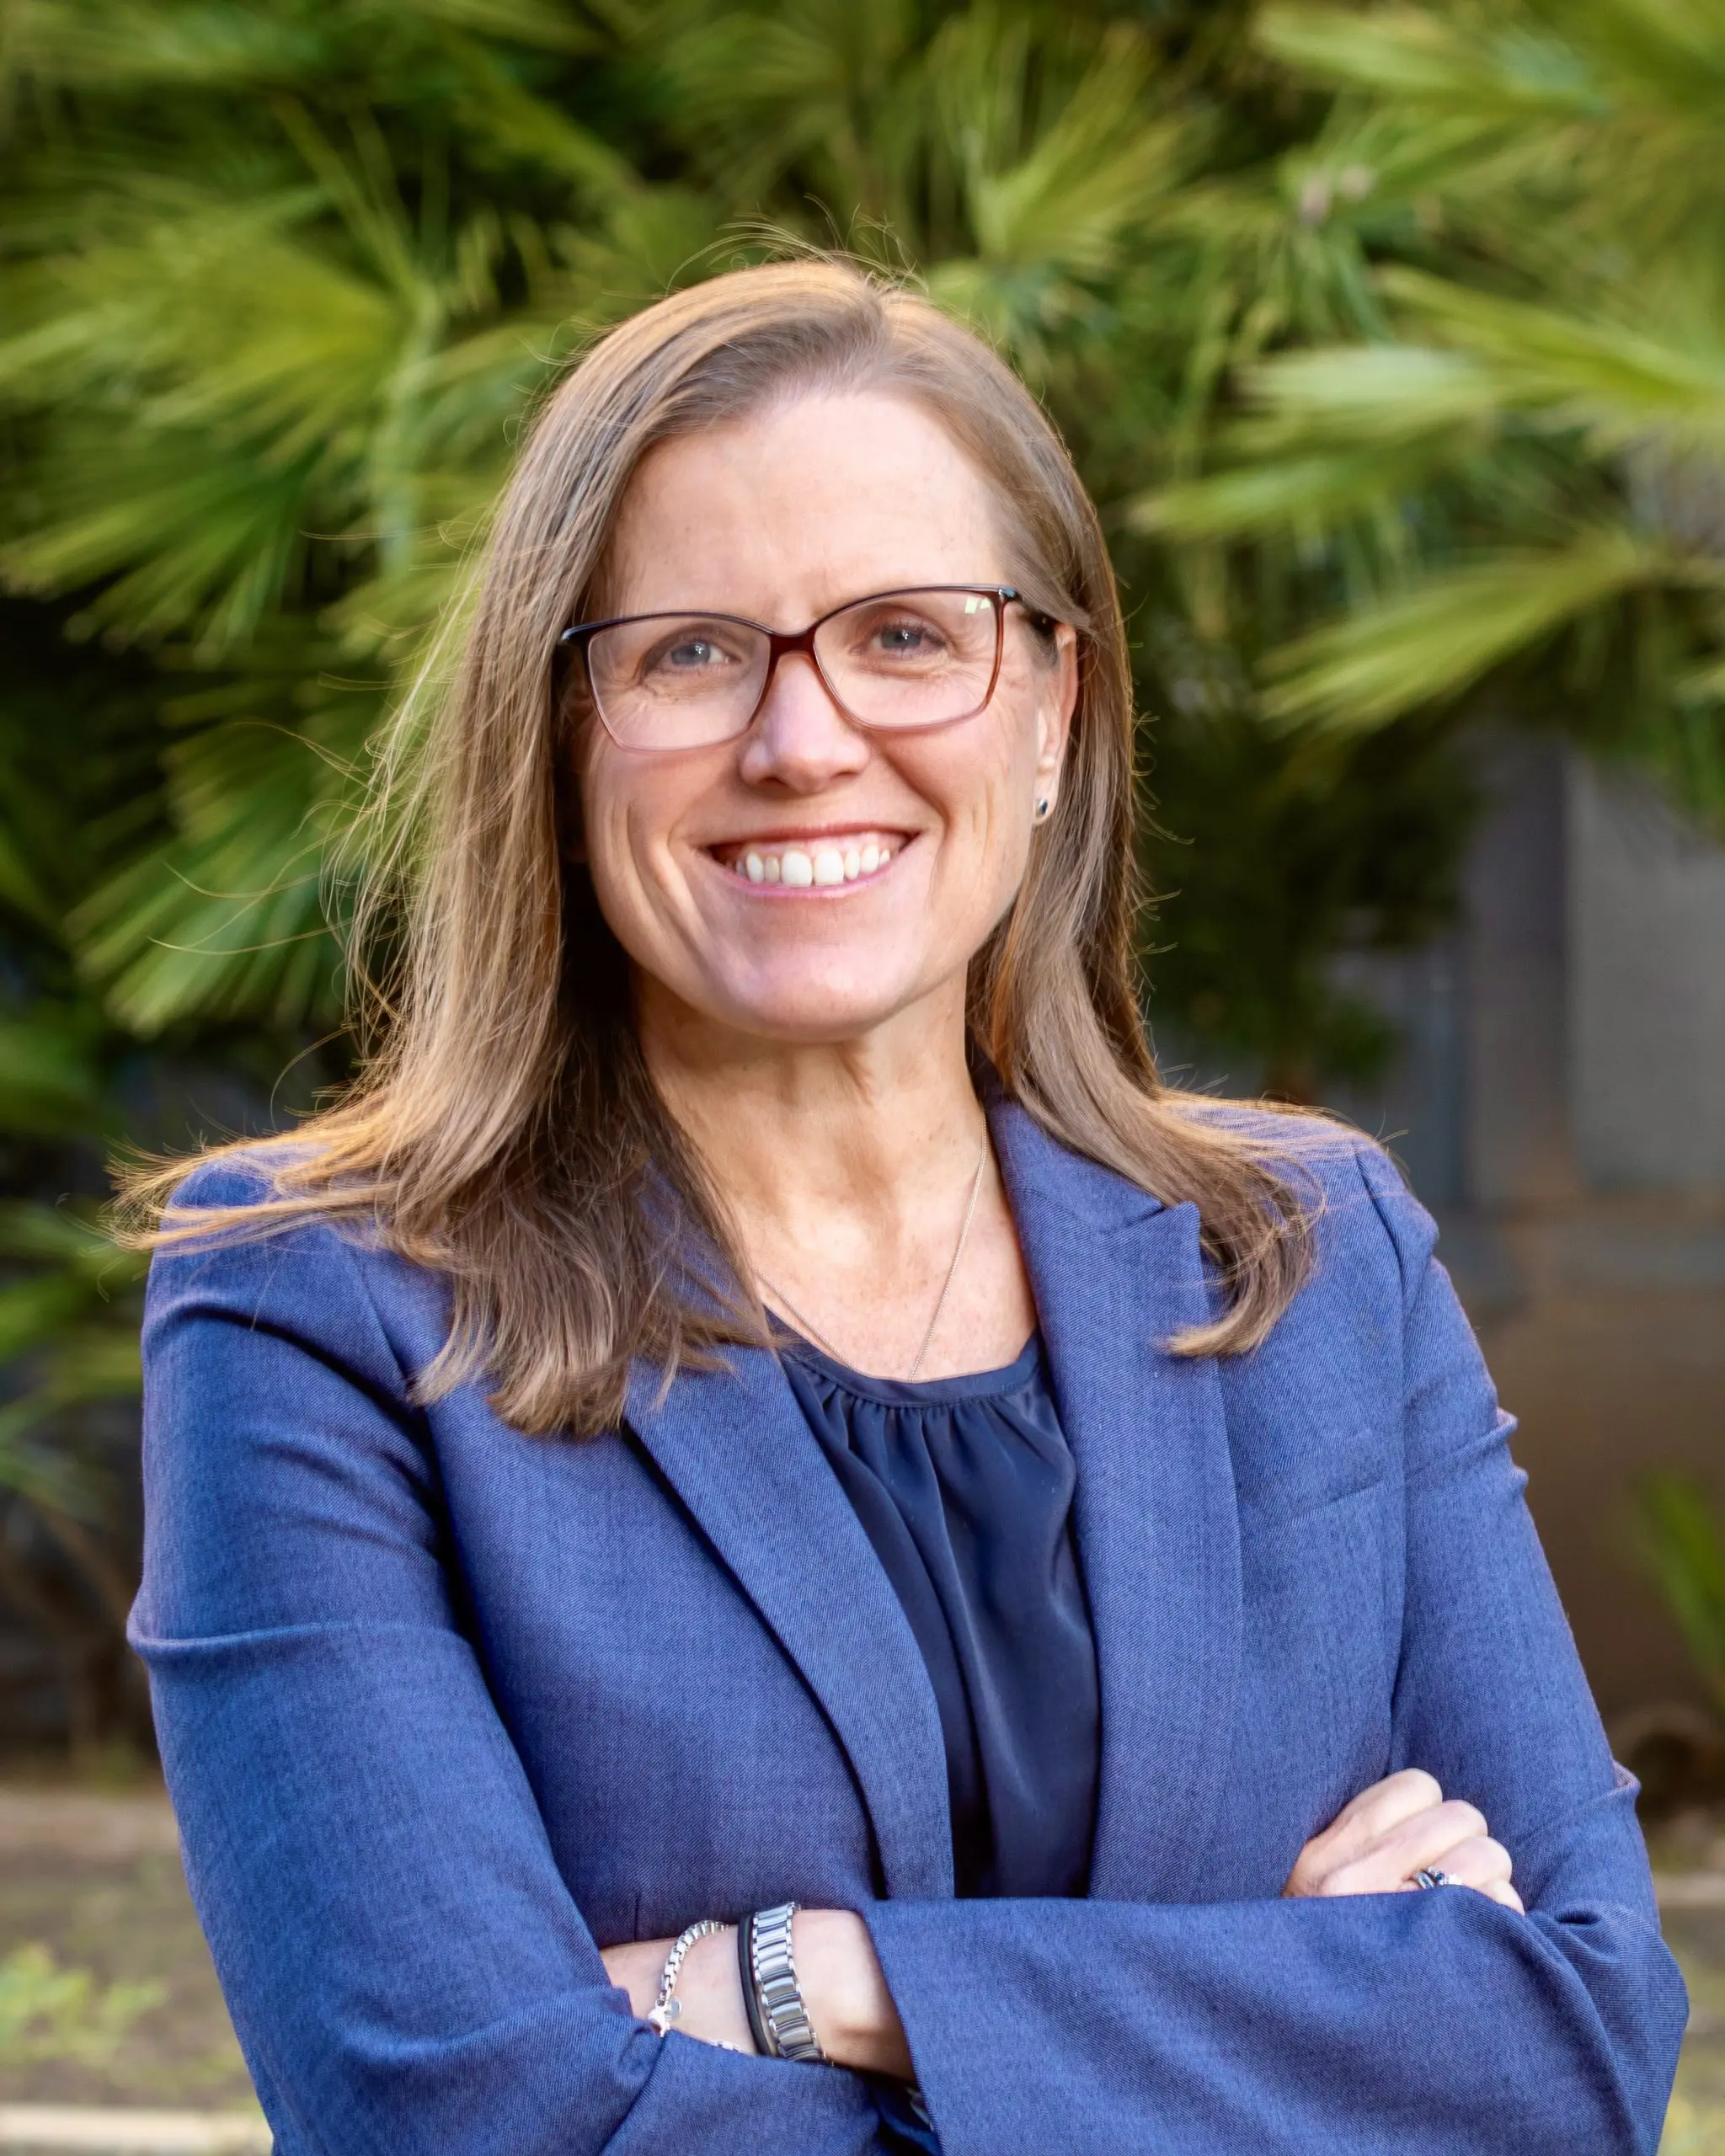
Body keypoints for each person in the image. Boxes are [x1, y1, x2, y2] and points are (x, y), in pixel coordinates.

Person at [128, 260, 1685, 2155]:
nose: (800, 737)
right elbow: (465, 2119)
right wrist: (1294, 2011)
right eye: (690, 649)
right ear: (555, 728)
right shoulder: (319, 1312)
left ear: (1050, 707)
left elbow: (1581, 2038)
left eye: (906, 633)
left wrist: (804, 1986)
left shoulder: (1307, 1253)